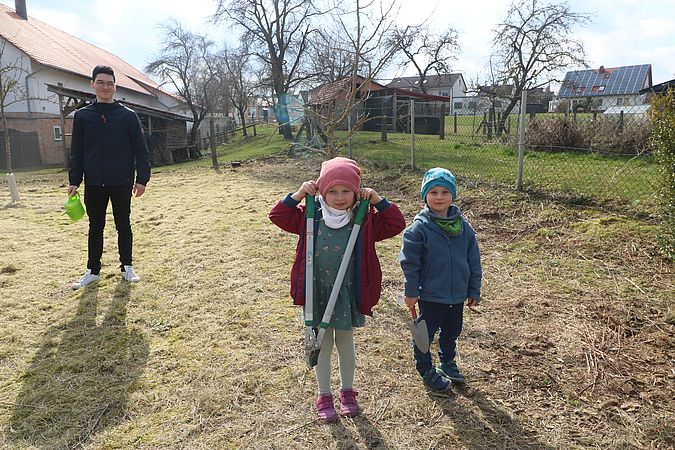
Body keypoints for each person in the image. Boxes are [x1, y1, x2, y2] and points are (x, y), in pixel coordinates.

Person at [269, 157, 405, 423]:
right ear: (321, 191)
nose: (339, 197)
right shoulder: (310, 215)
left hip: (346, 293)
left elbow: (396, 224)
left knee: (345, 344)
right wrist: (298, 194)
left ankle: (347, 392)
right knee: (321, 344)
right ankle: (324, 395)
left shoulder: (364, 218)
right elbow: (277, 215)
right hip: (317, 291)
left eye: (346, 191)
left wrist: (378, 201)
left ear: (356, 192)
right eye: (332, 190)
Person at [68, 65, 151, 289]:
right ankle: (92, 270)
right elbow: (77, 151)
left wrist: (142, 178)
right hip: (94, 182)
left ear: (115, 86)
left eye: (110, 83)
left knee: (123, 225)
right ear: (92, 84)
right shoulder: (83, 116)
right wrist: (74, 180)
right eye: (101, 82)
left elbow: (141, 150)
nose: (106, 87)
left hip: (121, 181)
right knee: (95, 227)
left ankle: (127, 267)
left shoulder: (128, 116)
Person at [399, 167, 482, 391]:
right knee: (424, 333)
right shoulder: (419, 229)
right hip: (431, 294)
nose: (439, 197)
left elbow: (474, 260)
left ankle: (447, 362)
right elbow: (410, 263)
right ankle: (425, 368)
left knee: (452, 331)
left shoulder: (464, 227)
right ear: (425, 195)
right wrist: (411, 291)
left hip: (457, 294)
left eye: (445, 192)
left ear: (453, 195)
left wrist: (473, 290)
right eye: (433, 192)